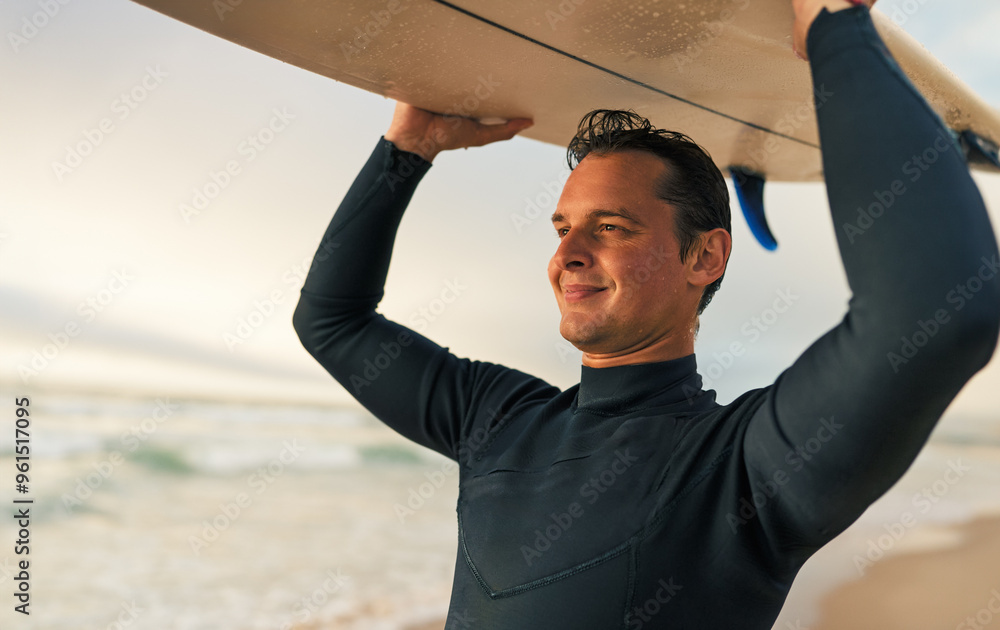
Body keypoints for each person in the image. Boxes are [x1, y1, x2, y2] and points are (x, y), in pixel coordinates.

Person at [292, 0, 1000, 626]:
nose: (566, 254)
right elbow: (332, 321)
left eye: (610, 227)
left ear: (705, 258)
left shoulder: (743, 470)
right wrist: (406, 151)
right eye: (562, 227)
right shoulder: (497, 417)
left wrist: (833, 27)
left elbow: (937, 308)